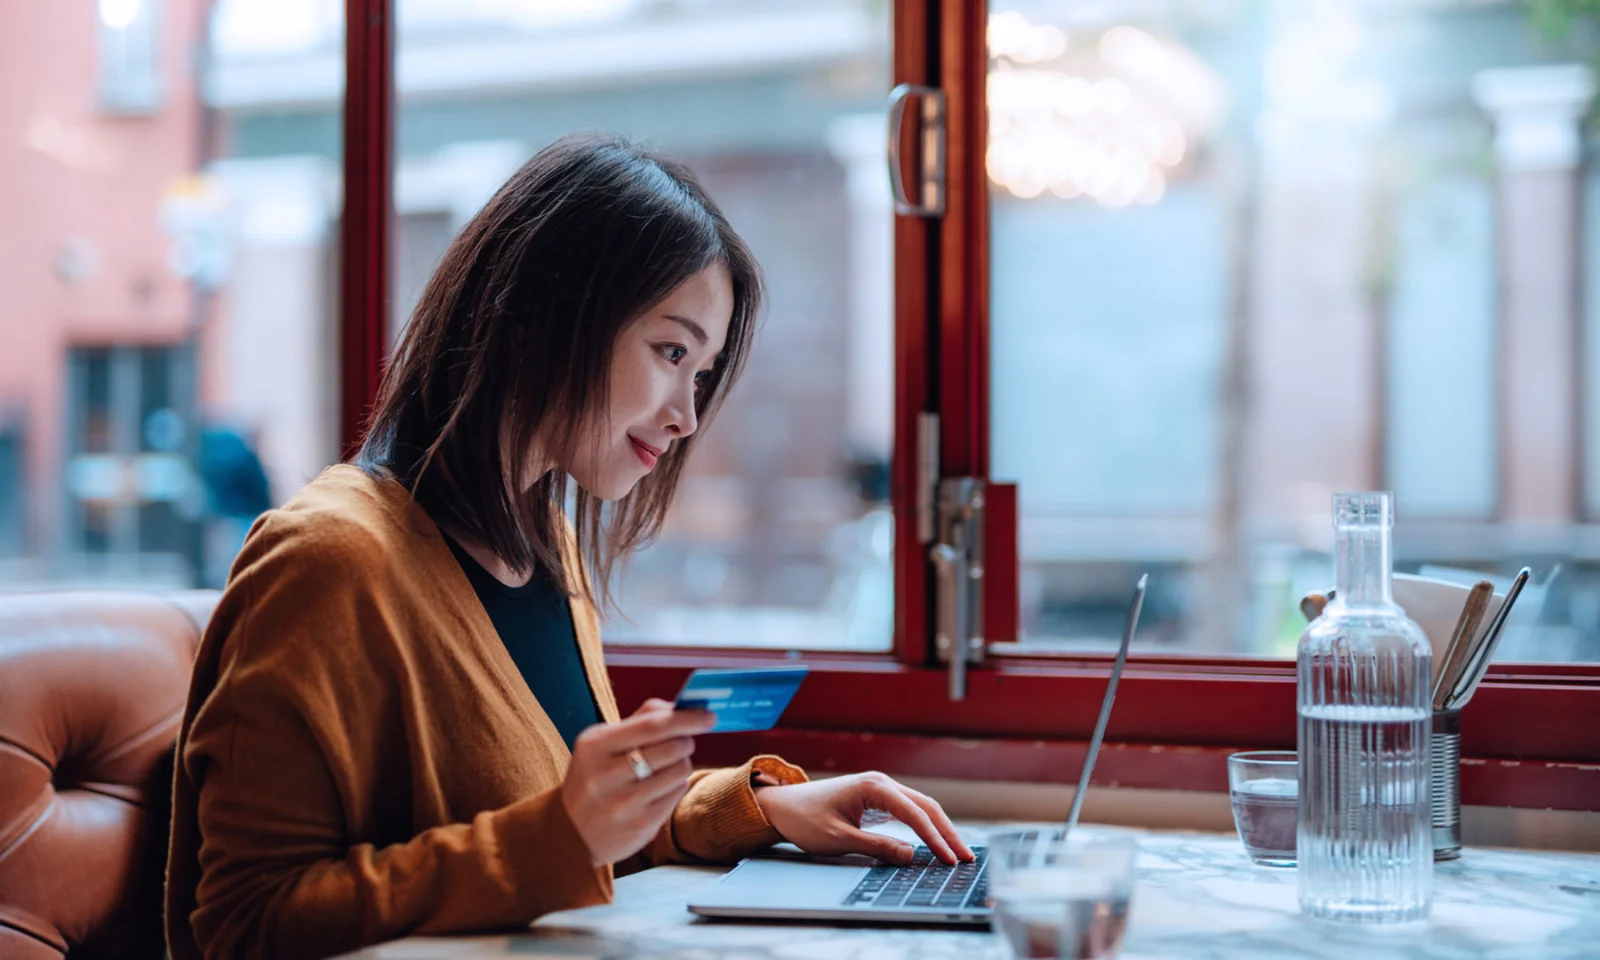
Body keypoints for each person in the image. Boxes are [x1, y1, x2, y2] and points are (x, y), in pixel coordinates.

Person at [165, 133, 973, 960]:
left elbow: (580, 830)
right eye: (670, 352)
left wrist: (758, 808)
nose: (686, 415)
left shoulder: (540, 538)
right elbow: (243, 923)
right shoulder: (328, 558)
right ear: (544, 316)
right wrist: (558, 836)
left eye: (699, 374)